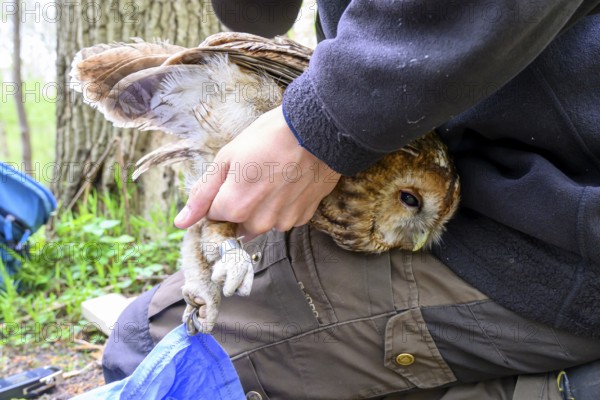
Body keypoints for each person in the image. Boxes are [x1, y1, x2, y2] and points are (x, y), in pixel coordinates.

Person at [102, 1, 600, 399]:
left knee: (149, 348)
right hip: (512, 204)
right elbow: (258, 15)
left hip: (554, 233)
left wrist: (320, 125)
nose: (413, 238)